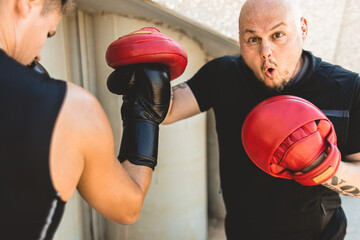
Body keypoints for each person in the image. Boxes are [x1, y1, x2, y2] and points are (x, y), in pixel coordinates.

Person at [162, 0, 360, 239]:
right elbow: (168, 109)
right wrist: (146, 79)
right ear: (241, 40)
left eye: (278, 35)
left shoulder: (347, 89)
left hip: (318, 233)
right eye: (253, 39)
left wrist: (322, 165)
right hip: (242, 232)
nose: (265, 50)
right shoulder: (222, 75)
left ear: (303, 29)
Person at [0, 1, 178, 239]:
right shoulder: (71, 111)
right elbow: (127, 207)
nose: (39, 54)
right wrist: (144, 115)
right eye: (48, 32)